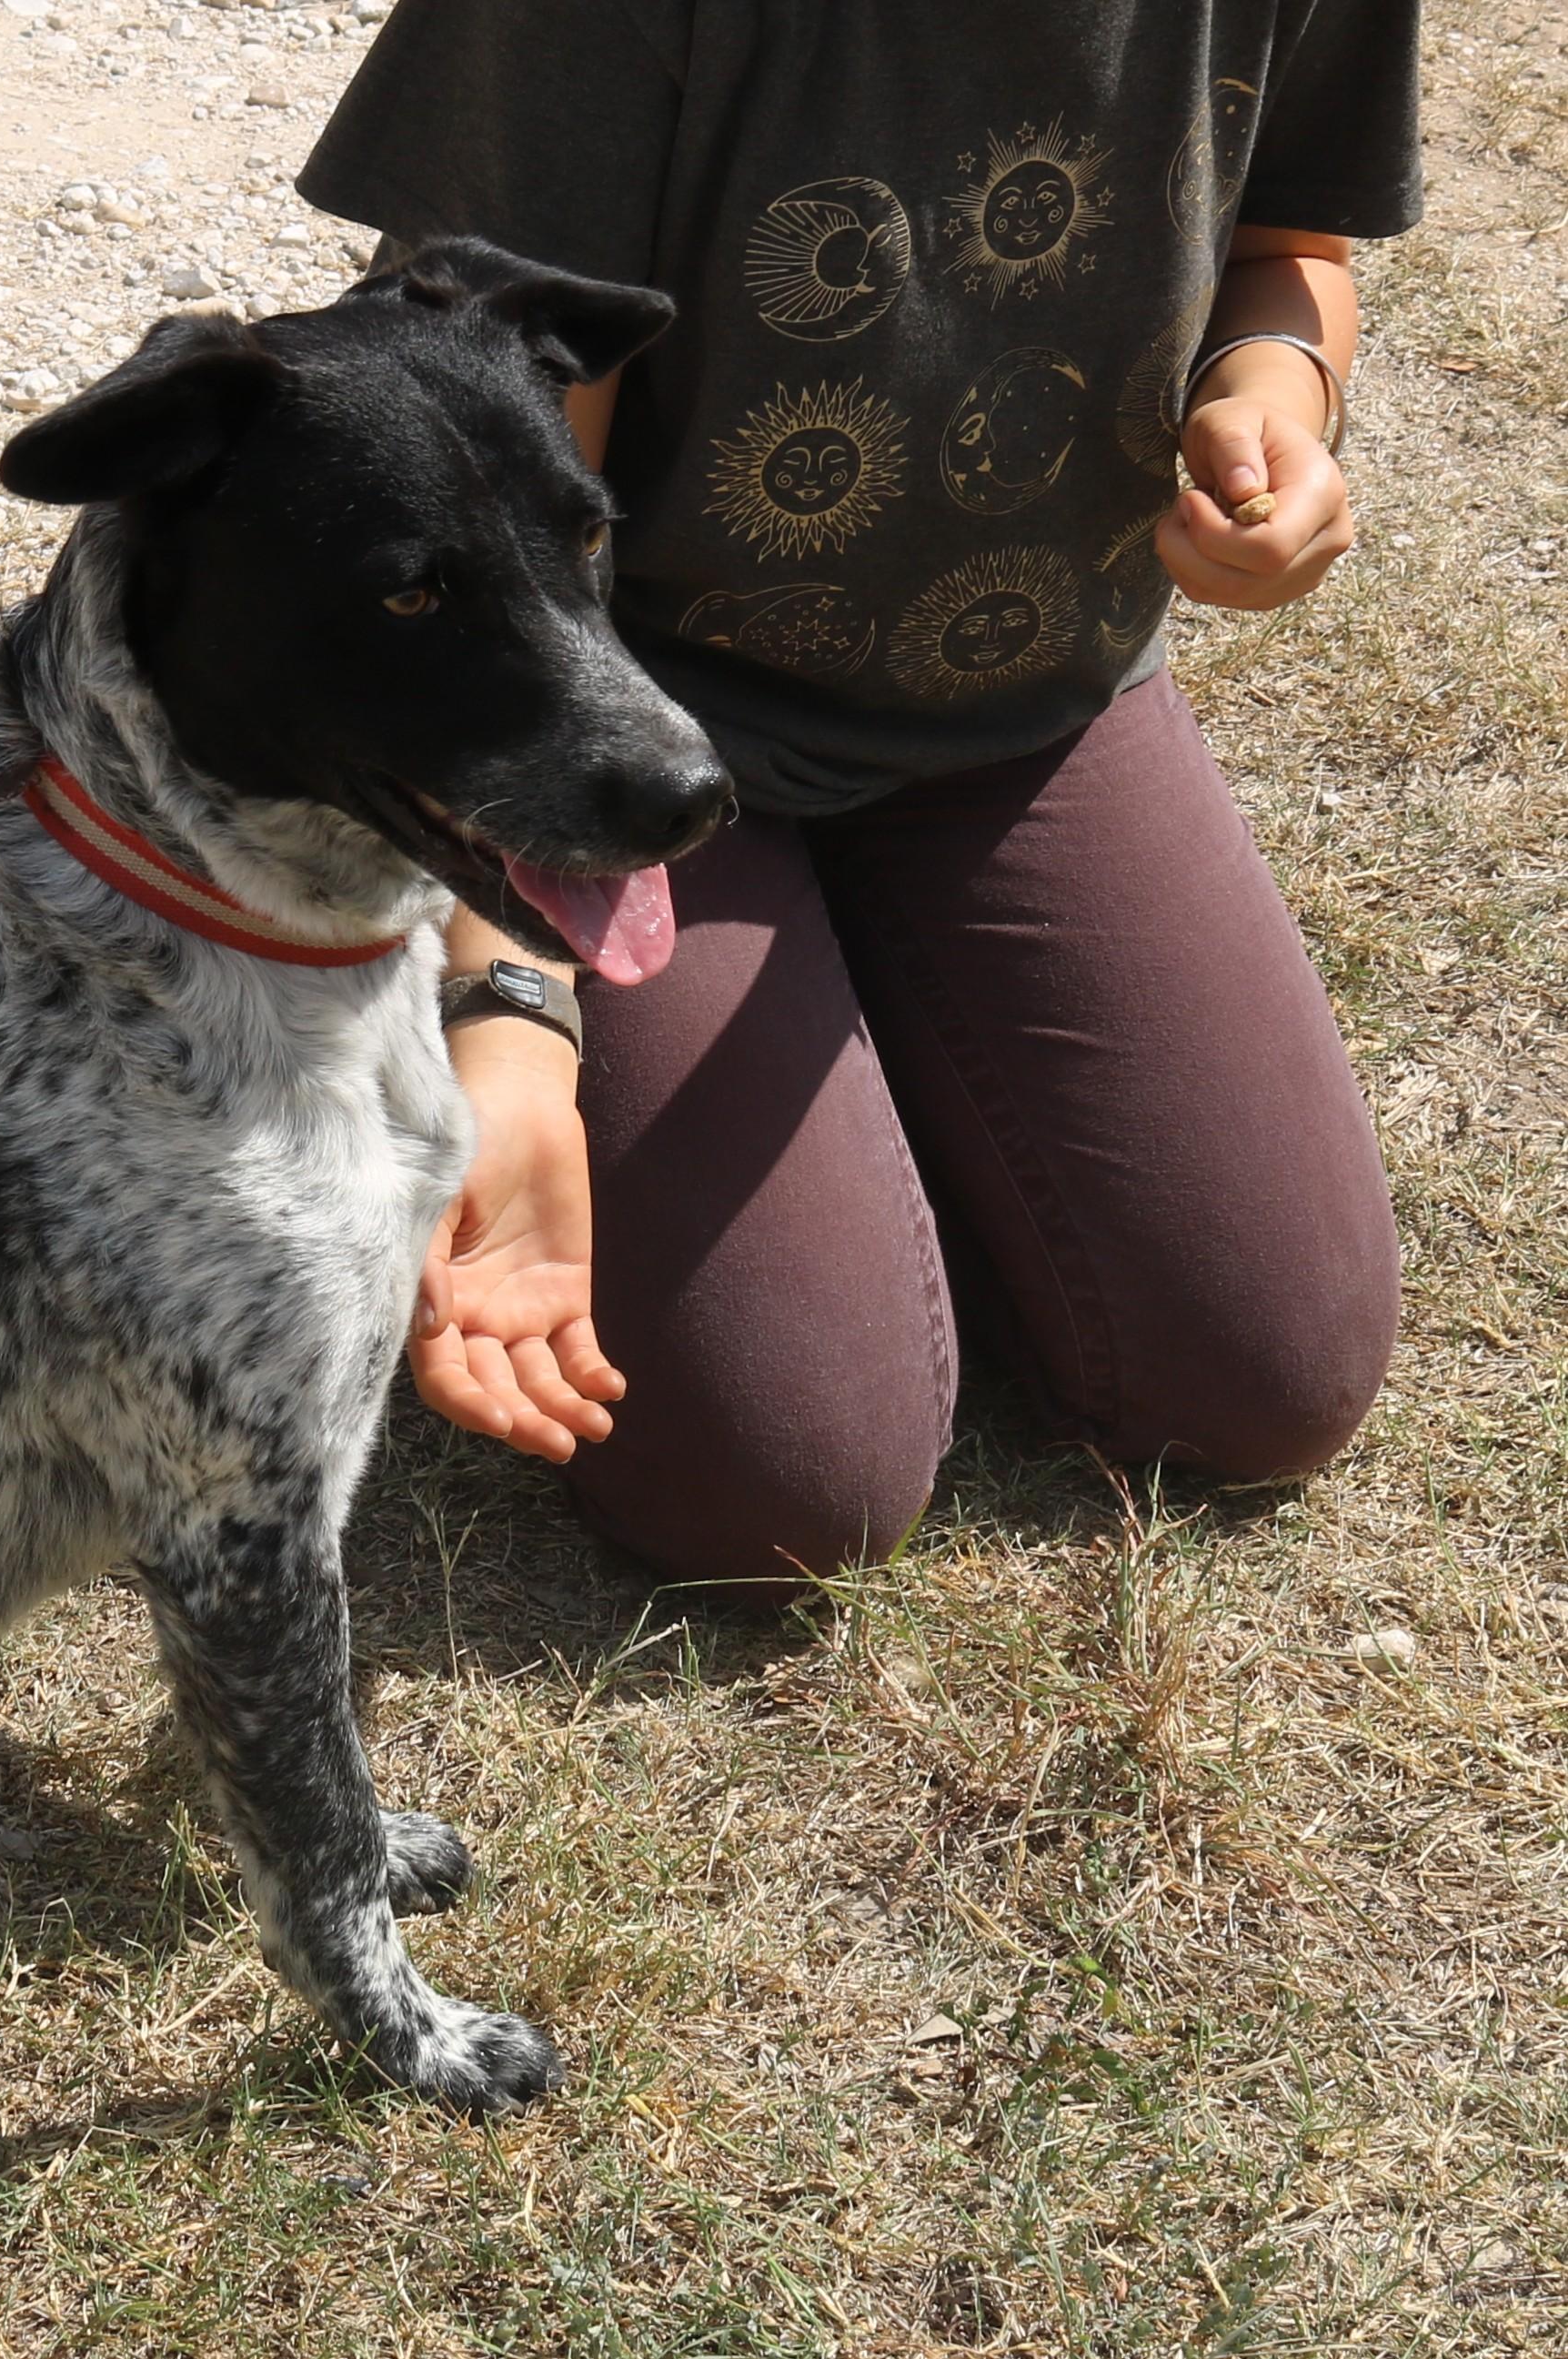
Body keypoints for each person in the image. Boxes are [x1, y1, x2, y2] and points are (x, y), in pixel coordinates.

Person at [297, 1, 1419, 1593]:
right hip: (619, 741)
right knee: (779, 1485)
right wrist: (509, 1019)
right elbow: (487, 560)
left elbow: (1291, 241)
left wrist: (1277, 392)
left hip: (1026, 713)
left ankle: (875, 1039)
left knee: (1268, 1374)